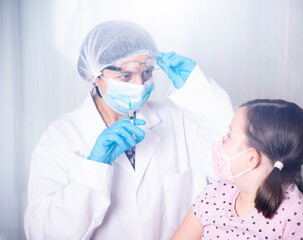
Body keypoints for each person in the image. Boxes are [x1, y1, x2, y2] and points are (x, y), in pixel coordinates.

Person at [24, 21, 234, 240]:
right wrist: (94, 169)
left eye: (147, 73)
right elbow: (42, 233)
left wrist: (198, 91)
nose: (140, 84)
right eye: (126, 75)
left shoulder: (177, 120)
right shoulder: (61, 137)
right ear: (95, 74)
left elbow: (241, 157)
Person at [171, 99, 303, 240]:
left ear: (251, 158)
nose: (222, 139)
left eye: (230, 135)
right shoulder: (213, 195)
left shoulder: (296, 214)